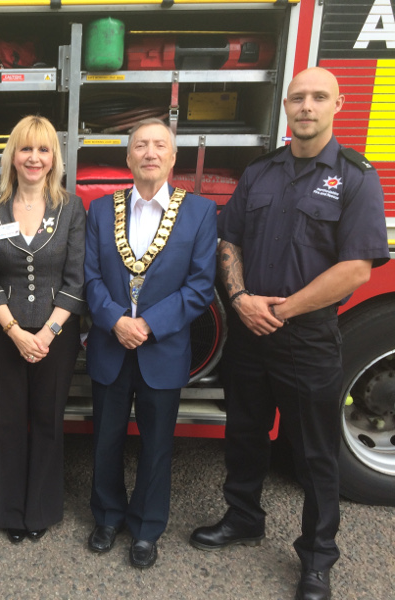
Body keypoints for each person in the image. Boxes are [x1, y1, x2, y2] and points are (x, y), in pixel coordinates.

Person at [189, 67, 389, 600]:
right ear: (285, 106)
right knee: (245, 432)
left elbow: (356, 268)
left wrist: (283, 309)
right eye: (297, 97)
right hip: (250, 331)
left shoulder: (355, 176)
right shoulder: (260, 173)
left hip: (307, 338)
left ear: (338, 104)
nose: (306, 106)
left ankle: (318, 558)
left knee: (315, 452)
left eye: (318, 97)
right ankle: (243, 516)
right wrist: (238, 299)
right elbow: (227, 241)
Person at [84, 118, 216, 568]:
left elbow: (200, 286)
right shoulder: (101, 211)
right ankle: (107, 516)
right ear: (128, 157)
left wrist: (148, 325)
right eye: (140, 145)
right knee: (106, 439)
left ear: (173, 157)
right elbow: (89, 278)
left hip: (163, 348)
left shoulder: (199, 212)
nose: (150, 153)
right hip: (110, 345)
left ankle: (145, 529)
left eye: (160, 145)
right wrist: (116, 320)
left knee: (158, 444)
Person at [0, 115, 86, 543]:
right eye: (26, 149)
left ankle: (39, 509)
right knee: (8, 420)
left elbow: (76, 280)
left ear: (53, 158)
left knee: (46, 420)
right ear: (13, 156)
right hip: (6, 335)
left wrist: (47, 333)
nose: (34, 158)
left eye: (43, 150)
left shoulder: (71, 207)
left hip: (56, 336)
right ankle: (8, 512)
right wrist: (17, 332)